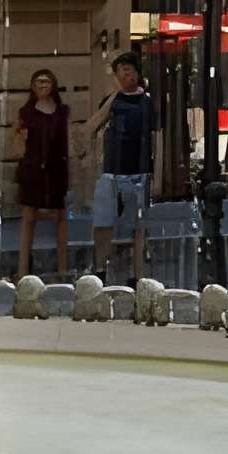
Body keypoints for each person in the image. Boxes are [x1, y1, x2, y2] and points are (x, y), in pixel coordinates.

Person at [87, 53, 159, 283]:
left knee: (137, 226)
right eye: (120, 71)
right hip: (111, 171)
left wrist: (157, 174)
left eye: (128, 70)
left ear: (137, 72)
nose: (125, 75)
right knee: (103, 222)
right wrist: (113, 97)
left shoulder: (148, 103)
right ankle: (100, 269)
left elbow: (157, 137)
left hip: (139, 171)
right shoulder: (112, 100)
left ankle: (136, 275)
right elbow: (92, 125)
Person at [8, 68, 73, 279]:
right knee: (28, 218)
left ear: (53, 86)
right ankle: (23, 269)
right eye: (38, 83)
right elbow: (17, 139)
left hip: (56, 169)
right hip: (32, 169)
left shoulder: (63, 111)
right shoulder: (26, 112)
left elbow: (69, 139)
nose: (42, 87)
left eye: (46, 83)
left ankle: (63, 269)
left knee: (61, 217)